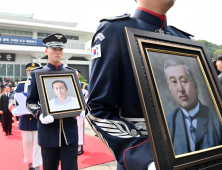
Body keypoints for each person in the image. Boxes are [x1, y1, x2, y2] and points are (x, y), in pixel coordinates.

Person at [86, 0, 195, 169]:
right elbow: (98, 109)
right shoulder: (114, 30)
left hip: (193, 154)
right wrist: (144, 157)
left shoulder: (183, 38)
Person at [26, 33, 78, 170]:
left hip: (69, 133)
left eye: (60, 49)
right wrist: (39, 114)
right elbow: (30, 101)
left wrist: (82, 108)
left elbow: (77, 98)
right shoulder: (36, 73)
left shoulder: (71, 73)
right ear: (46, 50)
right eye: (54, 48)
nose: (57, 52)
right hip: (48, 134)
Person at [164, 58, 222, 155]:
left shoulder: (216, 118)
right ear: (170, 89)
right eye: (174, 82)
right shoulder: (168, 122)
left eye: (183, 81)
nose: (180, 89)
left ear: (195, 86)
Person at [9, 63, 42, 170]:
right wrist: (13, 109)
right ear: (27, 72)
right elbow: (13, 100)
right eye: (29, 71)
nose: (31, 73)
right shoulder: (21, 85)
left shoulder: (41, 84)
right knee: (27, 143)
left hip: (38, 119)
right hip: (25, 120)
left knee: (38, 144)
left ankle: (36, 165)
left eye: (34, 70)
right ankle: (30, 162)